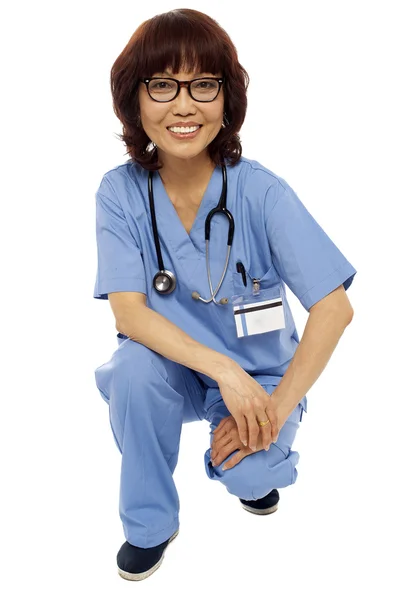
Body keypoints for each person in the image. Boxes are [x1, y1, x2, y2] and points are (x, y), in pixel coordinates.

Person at [93, 8, 356, 581]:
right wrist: (221, 370)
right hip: (176, 372)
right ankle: (150, 524)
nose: (183, 106)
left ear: (225, 99)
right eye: (161, 85)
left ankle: (254, 465)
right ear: (134, 100)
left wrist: (272, 406)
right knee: (132, 370)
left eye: (203, 85)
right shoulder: (120, 193)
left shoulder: (261, 191)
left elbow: (334, 308)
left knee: (251, 474)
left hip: (261, 378)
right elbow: (128, 312)